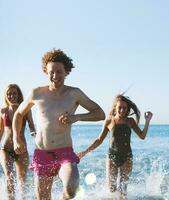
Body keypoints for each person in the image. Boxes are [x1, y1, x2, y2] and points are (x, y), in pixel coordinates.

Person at [12, 49, 105, 200]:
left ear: (66, 72)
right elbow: (19, 114)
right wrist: (17, 138)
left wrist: (76, 117)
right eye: (51, 72)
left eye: (59, 71)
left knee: (71, 189)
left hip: (65, 153)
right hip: (42, 153)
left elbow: (100, 113)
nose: (55, 76)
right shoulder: (36, 93)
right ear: (45, 72)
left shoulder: (74, 94)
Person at [77, 94, 153, 199]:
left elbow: (142, 136)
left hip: (127, 157)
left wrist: (147, 121)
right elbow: (99, 140)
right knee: (111, 189)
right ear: (115, 108)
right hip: (112, 156)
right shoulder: (109, 120)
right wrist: (85, 151)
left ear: (127, 109)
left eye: (124, 108)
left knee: (123, 190)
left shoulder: (130, 121)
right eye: (120, 108)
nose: (122, 110)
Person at [0, 84, 36, 200]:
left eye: (14, 93)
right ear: (6, 96)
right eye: (9, 94)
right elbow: (1, 131)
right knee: (9, 177)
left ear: (19, 94)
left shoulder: (25, 109)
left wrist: (33, 132)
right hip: (5, 149)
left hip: (21, 149)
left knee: (22, 182)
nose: (12, 96)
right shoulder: (3, 111)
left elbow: (31, 124)